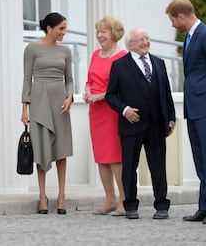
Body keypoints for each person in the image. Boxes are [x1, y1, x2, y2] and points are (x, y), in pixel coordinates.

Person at [166, 0, 206, 225]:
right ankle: (204, 206)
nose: (173, 24)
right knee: (200, 157)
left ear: (180, 16)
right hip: (193, 106)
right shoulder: (190, 37)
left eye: (172, 20)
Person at [105, 28, 176, 220]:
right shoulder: (119, 66)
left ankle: (162, 205)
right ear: (130, 45)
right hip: (131, 125)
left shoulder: (159, 63)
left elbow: (167, 94)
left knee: (158, 167)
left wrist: (171, 117)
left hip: (156, 125)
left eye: (147, 38)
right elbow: (110, 95)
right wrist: (124, 110)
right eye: (140, 40)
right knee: (129, 168)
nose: (146, 42)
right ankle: (130, 206)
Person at [21, 12, 74, 215]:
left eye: (65, 28)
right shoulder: (32, 49)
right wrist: (24, 107)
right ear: (49, 28)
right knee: (41, 147)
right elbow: (27, 79)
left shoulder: (66, 51)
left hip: (61, 101)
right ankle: (42, 196)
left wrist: (70, 97)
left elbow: (69, 78)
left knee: (61, 148)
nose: (64, 33)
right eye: (61, 28)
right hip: (39, 100)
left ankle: (62, 195)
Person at [83, 15, 127, 216]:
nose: (99, 35)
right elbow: (89, 78)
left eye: (104, 32)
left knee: (116, 157)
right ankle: (109, 199)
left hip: (111, 110)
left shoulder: (122, 56)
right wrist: (87, 91)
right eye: (98, 31)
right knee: (101, 157)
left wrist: (102, 95)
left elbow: (123, 87)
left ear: (114, 34)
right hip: (96, 111)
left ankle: (124, 201)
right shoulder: (94, 54)